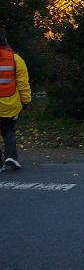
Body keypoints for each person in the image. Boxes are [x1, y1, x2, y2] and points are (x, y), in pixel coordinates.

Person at [0, 27, 31, 171]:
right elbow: (23, 83)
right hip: (10, 104)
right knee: (9, 130)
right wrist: (26, 101)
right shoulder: (16, 59)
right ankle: (11, 156)